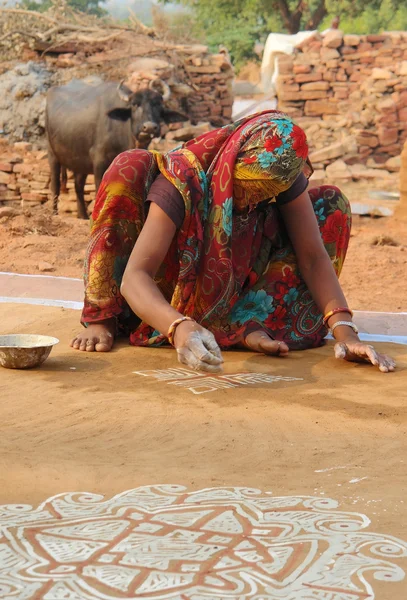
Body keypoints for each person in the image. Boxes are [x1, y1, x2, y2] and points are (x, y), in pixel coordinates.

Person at [71, 111, 395, 373]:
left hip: (237, 285)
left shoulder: (280, 173)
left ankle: (246, 323)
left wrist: (346, 333)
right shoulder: (183, 180)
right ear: (234, 163)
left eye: (266, 196)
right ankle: (103, 317)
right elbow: (135, 278)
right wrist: (179, 328)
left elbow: (313, 257)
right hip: (167, 286)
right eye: (248, 190)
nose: (253, 202)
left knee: (330, 204)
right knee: (128, 166)